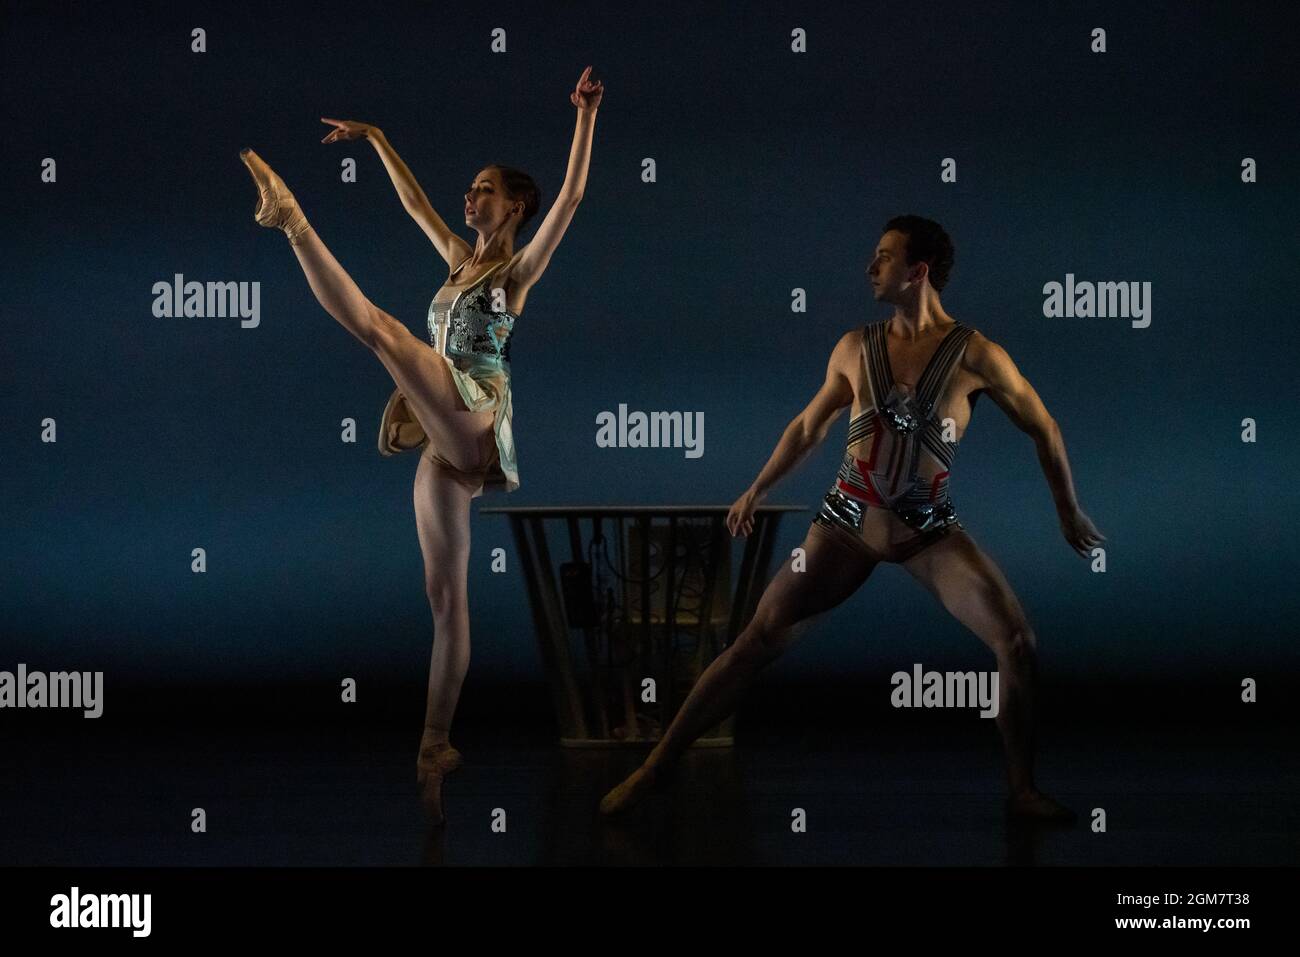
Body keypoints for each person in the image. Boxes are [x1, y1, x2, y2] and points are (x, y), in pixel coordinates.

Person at [600, 215, 1102, 823]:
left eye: (885, 257)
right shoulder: (854, 347)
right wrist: (755, 489)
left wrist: (1066, 509)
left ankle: (1021, 793)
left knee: (1017, 642)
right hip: (844, 525)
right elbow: (809, 427)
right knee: (756, 640)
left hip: (927, 532)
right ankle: (656, 769)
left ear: (918, 272)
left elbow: (1043, 426)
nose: (871, 266)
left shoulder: (976, 355)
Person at [240, 66, 604, 824]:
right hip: (444, 442)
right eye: (468, 191)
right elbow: (413, 202)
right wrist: (377, 138)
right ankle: (435, 744)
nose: (469, 199)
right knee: (444, 598)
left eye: (483, 191)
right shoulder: (456, 258)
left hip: (473, 409)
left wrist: (585, 117)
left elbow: (571, 197)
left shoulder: (516, 270)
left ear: (514, 206)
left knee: (382, 332)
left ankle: (292, 220)